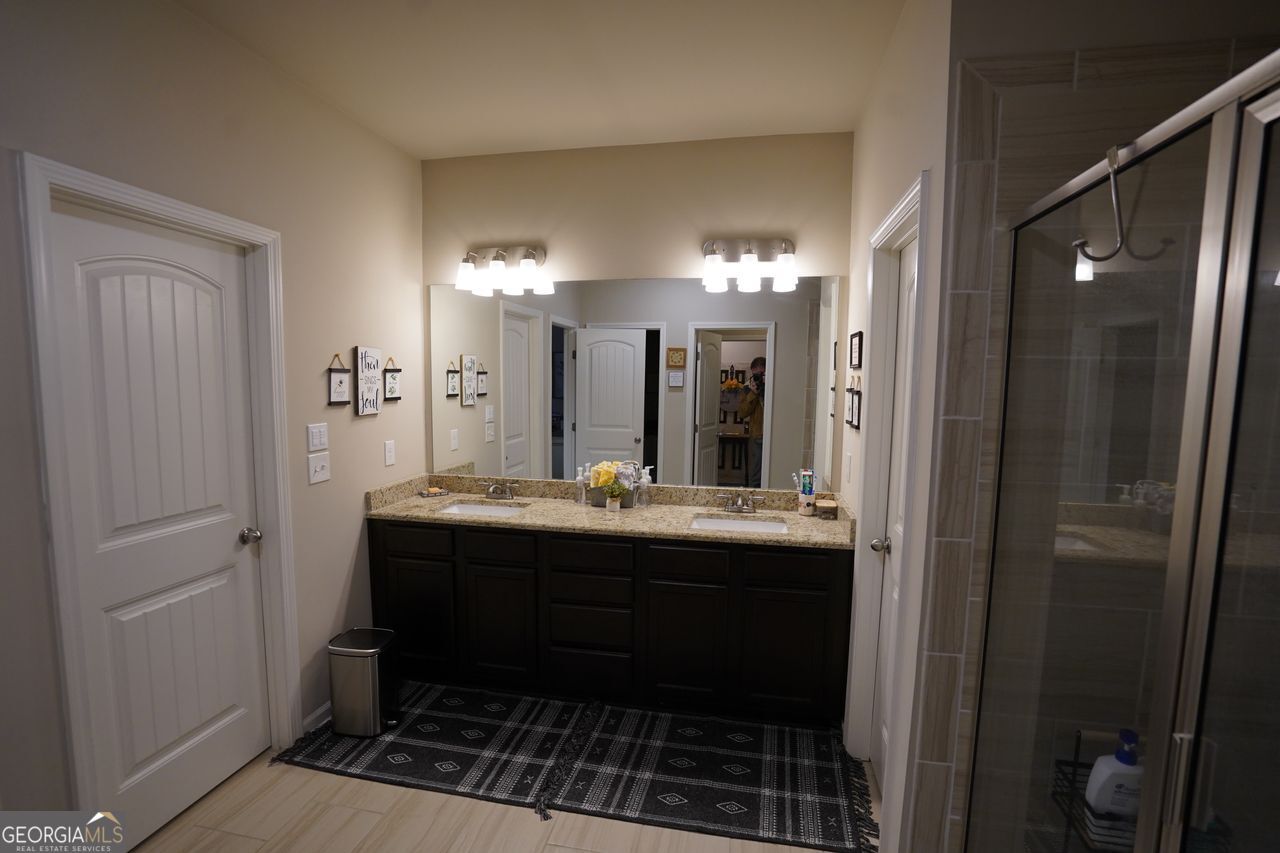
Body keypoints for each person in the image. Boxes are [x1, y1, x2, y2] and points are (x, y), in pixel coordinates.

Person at [738, 356, 766, 487]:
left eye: (762, 373)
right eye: (756, 374)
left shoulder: (774, 384)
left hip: (774, 435)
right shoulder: (747, 388)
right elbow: (742, 413)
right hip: (757, 434)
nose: (759, 377)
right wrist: (753, 393)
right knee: (756, 473)